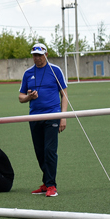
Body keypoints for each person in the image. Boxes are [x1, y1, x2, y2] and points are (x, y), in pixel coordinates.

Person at [19, 43, 68, 197]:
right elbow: (21, 98)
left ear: (46, 55)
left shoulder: (56, 70)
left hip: (52, 115)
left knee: (49, 151)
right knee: (40, 152)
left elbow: (64, 94)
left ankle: (52, 185)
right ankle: (46, 182)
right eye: (34, 55)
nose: (37, 58)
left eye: (40, 55)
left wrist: (63, 116)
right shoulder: (28, 73)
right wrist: (29, 97)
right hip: (34, 117)